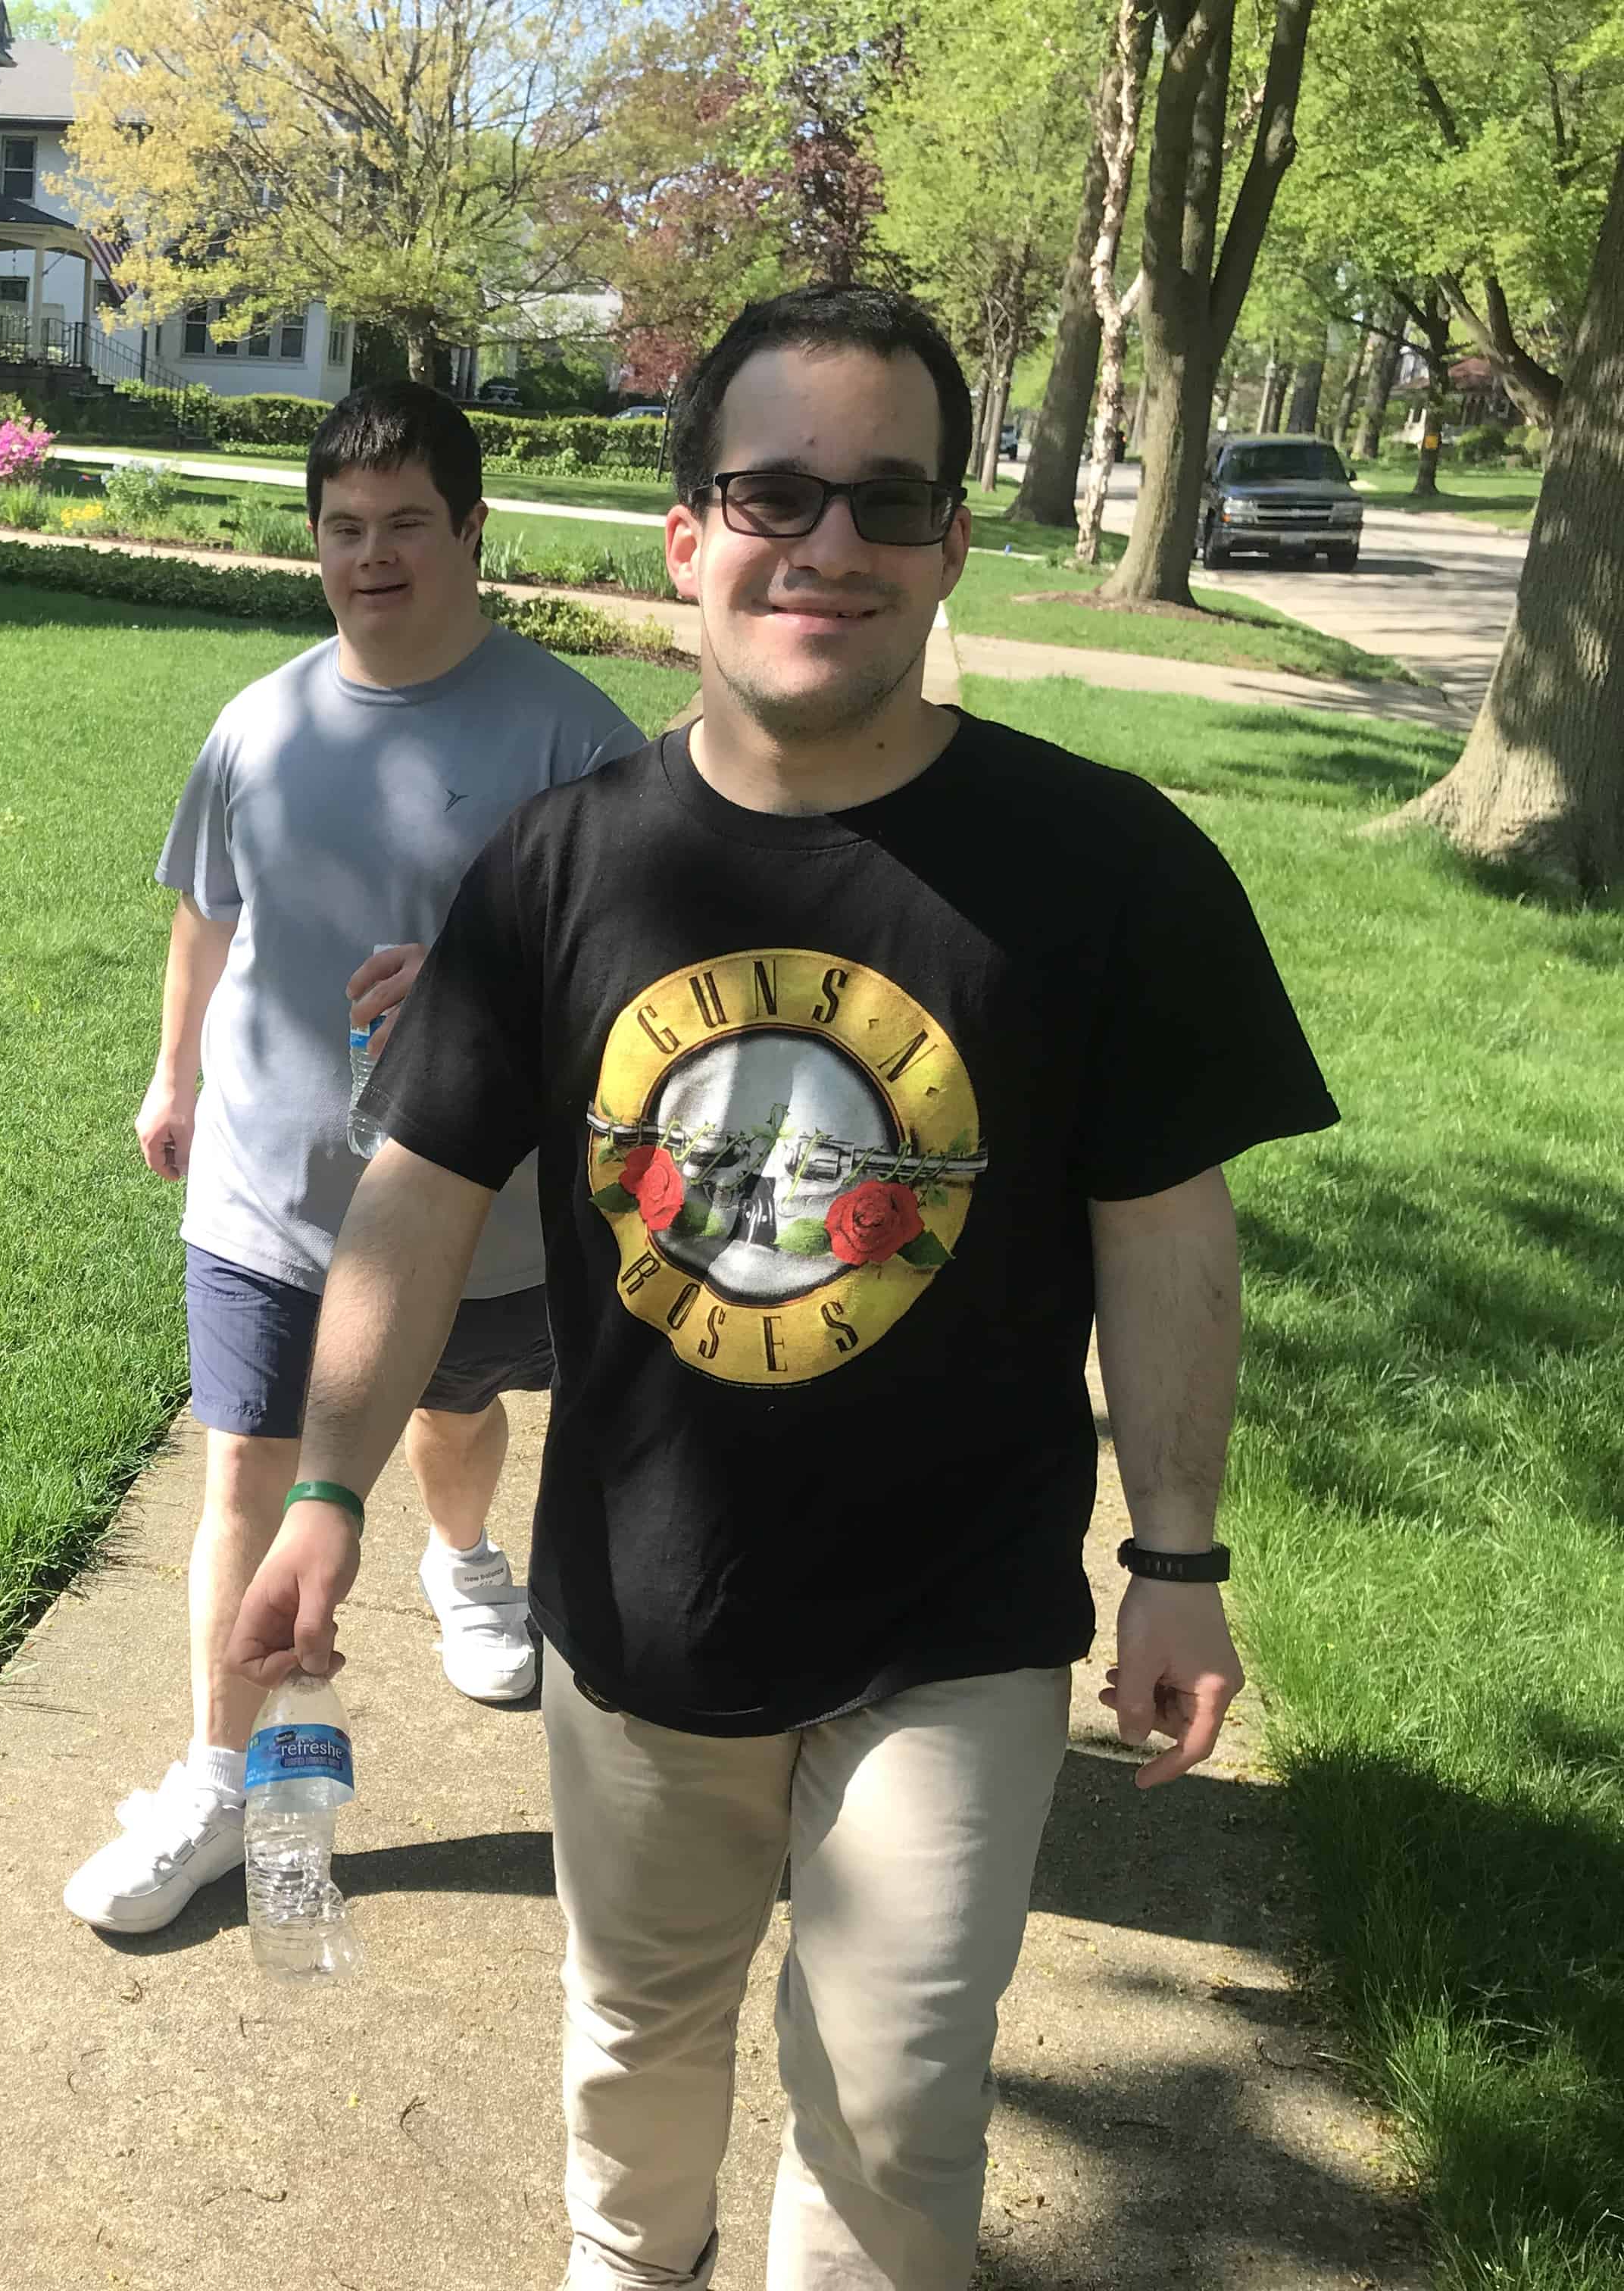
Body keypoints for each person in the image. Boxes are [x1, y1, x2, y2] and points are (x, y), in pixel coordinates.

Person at [229, 285, 1338, 2287]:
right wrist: (326, 1489)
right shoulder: (555, 871)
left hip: (958, 1619)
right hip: (643, 1604)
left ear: (949, 548)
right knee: (636, 2047)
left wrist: (1179, 1556)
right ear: (689, 538)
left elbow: (1167, 1227)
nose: (829, 544)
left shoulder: (1110, 869)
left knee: (895, 2102)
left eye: (886, 501)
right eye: (774, 495)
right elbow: (417, 1193)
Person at [63, 382, 643, 1935]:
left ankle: (462, 1558)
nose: (371, 555)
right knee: (248, 1472)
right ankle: (215, 1781)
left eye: (406, 524)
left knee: (453, 1410)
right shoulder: (259, 724)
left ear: (472, 531)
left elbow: (646, 984)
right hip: (271, 1194)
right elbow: (207, 916)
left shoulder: (576, 738)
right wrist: (173, 1074)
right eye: (343, 528)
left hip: (478, 1222)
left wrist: (485, 979)